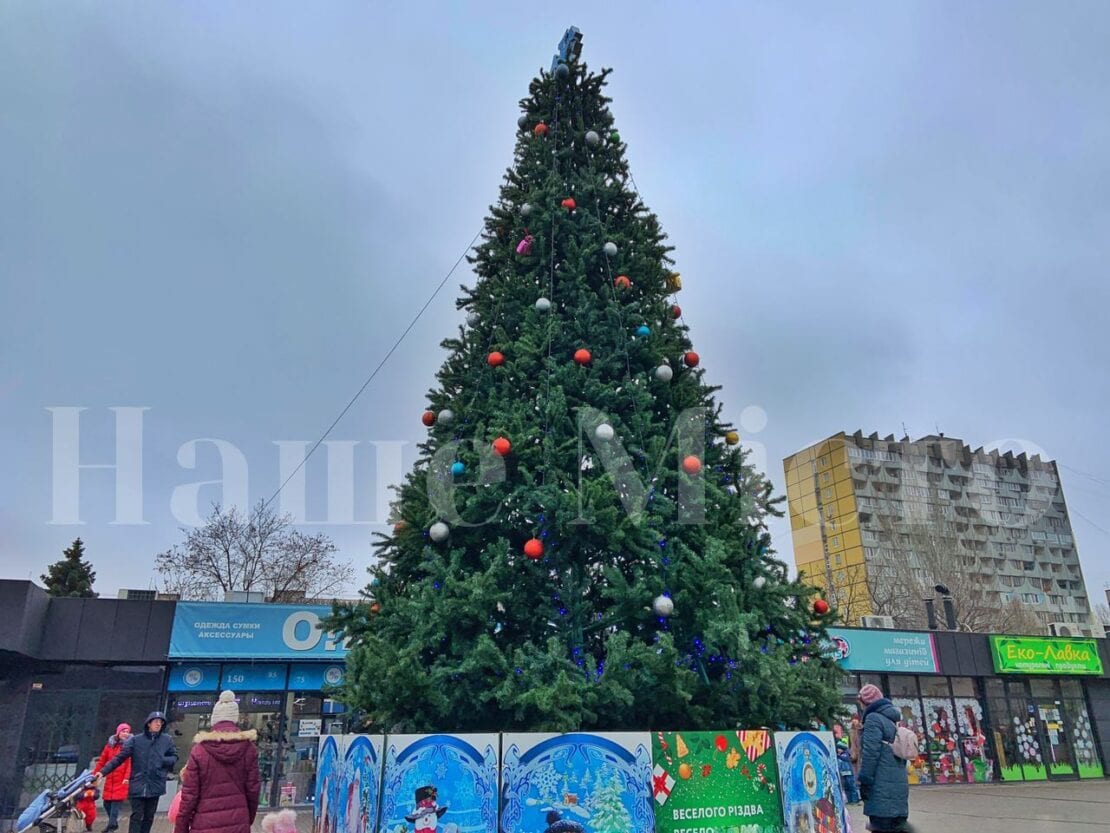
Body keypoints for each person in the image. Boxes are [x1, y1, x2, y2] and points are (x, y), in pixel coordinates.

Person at [173, 690, 260, 833]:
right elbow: (253, 790)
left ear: (214, 720)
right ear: (235, 719)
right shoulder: (249, 750)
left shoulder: (200, 750)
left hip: (204, 824)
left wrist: (181, 828)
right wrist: (246, 818)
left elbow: (189, 796)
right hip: (238, 822)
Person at [98, 712, 178, 833]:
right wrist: (102, 772)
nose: (158, 724)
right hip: (138, 782)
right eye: (155, 721)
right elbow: (119, 758)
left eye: (160, 722)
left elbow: (174, 757)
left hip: (155, 782)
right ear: (149, 723)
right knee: (137, 815)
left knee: (149, 816)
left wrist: (162, 760)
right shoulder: (136, 740)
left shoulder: (167, 740)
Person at [857, 684, 910, 832]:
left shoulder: (873, 719)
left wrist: (865, 781)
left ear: (865, 702)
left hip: (881, 788)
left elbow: (870, 754)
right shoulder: (892, 720)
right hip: (898, 787)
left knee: (882, 826)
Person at [94, 723, 133, 831]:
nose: (125, 734)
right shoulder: (109, 746)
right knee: (107, 803)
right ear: (118, 732)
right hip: (110, 779)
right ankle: (113, 823)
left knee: (116, 803)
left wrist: (126, 777)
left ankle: (111, 825)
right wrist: (96, 774)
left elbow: (130, 763)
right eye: (123, 731)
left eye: (127, 731)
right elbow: (102, 761)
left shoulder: (129, 747)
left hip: (121, 780)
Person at [836, 739, 861, 804]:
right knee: (846, 787)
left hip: (849, 773)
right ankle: (849, 800)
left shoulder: (846, 754)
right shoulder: (839, 756)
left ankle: (855, 800)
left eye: (839, 748)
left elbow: (845, 759)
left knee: (852, 786)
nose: (838, 750)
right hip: (843, 774)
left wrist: (838, 756)